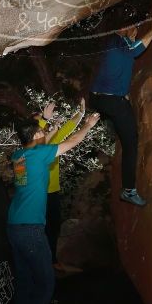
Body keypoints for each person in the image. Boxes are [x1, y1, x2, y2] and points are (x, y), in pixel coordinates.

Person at [8, 111, 100, 304]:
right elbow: (73, 141)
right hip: (30, 229)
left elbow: (40, 142)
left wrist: (49, 125)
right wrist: (88, 125)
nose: (44, 133)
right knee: (46, 284)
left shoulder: (19, 155)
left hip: (14, 226)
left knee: (25, 282)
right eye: (41, 131)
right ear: (36, 136)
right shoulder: (39, 154)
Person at [89, 12, 152, 206]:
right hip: (111, 102)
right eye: (133, 27)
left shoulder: (116, 45)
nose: (136, 30)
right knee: (131, 143)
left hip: (101, 99)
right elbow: (136, 50)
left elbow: (121, 66)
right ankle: (129, 191)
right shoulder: (119, 41)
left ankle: (116, 129)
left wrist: (123, 92)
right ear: (122, 28)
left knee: (122, 117)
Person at [35, 99, 86, 271]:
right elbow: (35, 138)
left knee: (54, 226)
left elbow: (70, 127)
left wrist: (80, 114)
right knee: (40, 227)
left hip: (53, 192)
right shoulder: (36, 147)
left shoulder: (53, 139)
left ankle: (51, 261)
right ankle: (40, 262)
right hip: (39, 194)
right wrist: (44, 118)